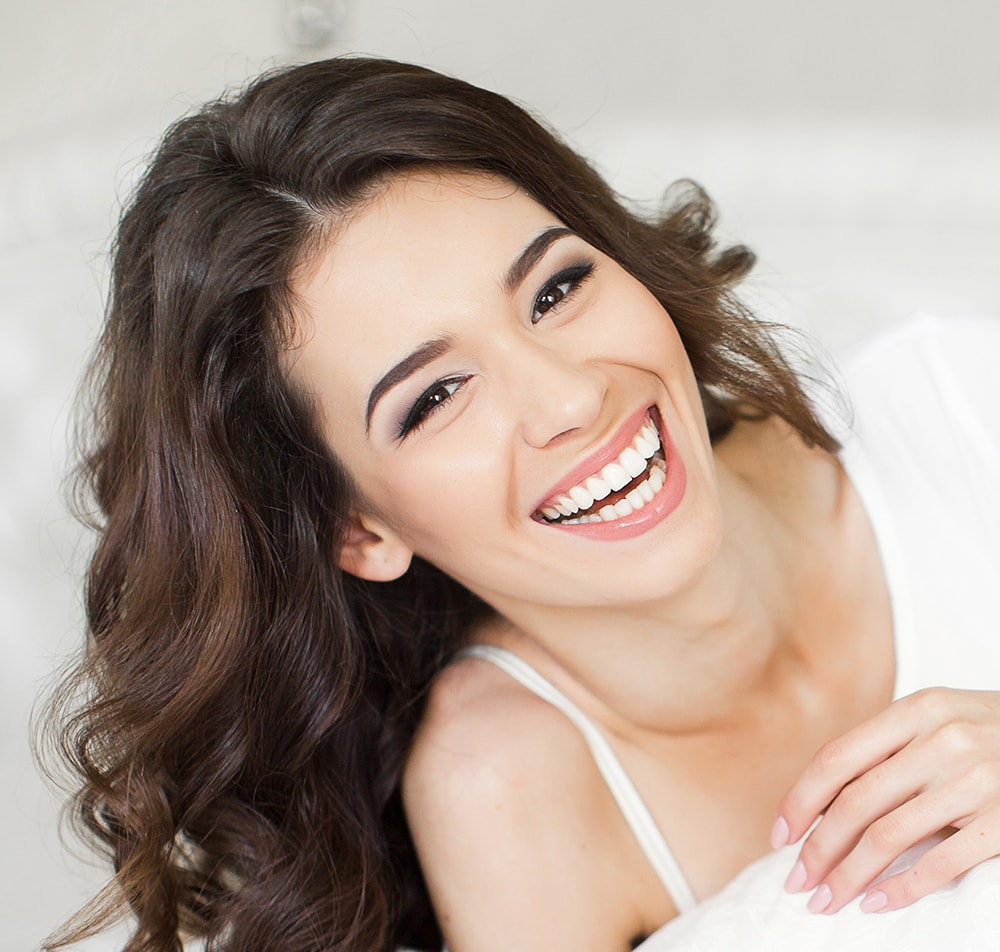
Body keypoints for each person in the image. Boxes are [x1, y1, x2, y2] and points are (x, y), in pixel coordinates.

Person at [41, 56, 1000, 952]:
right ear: (357, 527)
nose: (573, 398)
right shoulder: (506, 790)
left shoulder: (960, 408)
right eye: (436, 398)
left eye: (557, 289)